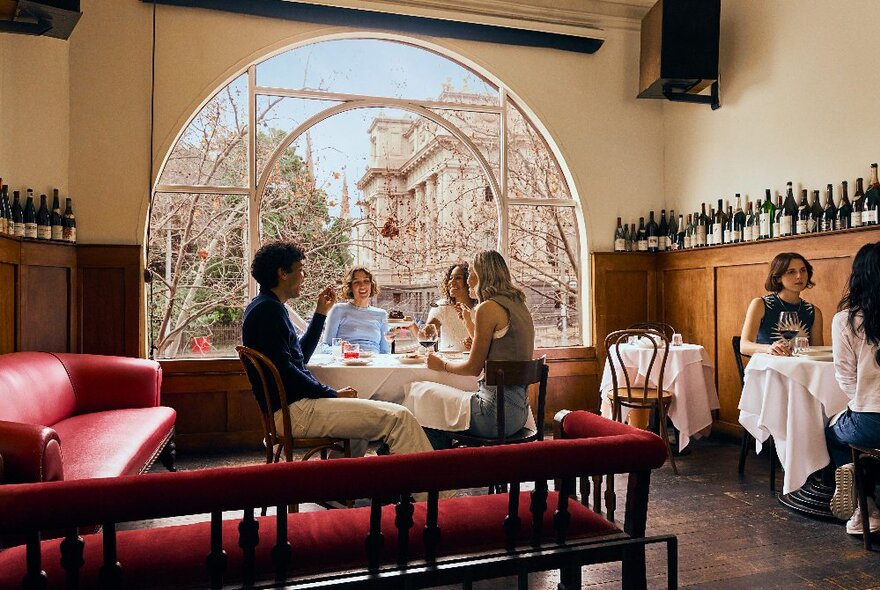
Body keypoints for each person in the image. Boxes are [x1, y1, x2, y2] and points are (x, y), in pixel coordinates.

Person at [242, 241, 433, 458]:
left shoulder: (266, 306)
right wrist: (330, 393)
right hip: (294, 413)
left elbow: (299, 358)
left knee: (359, 427)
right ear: (282, 273)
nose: (304, 276)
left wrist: (320, 313)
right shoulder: (268, 311)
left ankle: (340, 487)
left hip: (292, 409)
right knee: (399, 417)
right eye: (300, 270)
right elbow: (286, 372)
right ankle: (432, 492)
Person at [406, 250, 535, 449]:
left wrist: (442, 365)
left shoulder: (488, 307)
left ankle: (429, 465)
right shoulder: (518, 305)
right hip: (518, 414)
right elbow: (497, 348)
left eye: (472, 273)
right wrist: (468, 323)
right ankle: (444, 462)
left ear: (483, 274)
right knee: (430, 400)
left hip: (493, 415)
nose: (468, 279)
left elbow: (473, 368)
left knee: (419, 391)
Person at [825, 242, 880, 535]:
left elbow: (846, 379)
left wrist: (863, 400)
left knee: (834, 432)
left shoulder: (846, 320)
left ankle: (864, 507)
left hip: (871, 421)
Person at [740, 252, 824, 356]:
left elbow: (818, 353)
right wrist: (769, 348)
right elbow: (744, 346)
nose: (799, 276)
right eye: (791, 272)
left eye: (803, 270)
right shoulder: (760, 304)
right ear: (778, 277)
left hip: (801, 370)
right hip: (769, 369)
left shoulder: (813, 312)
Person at [322, 266, 392, 354]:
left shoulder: (382, 315)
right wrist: (340, 350)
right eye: (356, 282)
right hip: (347, 362)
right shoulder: (338, 310)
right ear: (350, 287)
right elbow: (325, 347)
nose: (362, 286)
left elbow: (385, 352)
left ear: (371, 285)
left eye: (366, 281)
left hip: (374, 364)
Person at [422, 263, 478, 353]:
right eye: (450, 278)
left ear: (469, 281)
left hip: (472, 362)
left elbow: (489, 342)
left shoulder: (480, 308)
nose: (451, 282)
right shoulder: (442, 306)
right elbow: (427, 334)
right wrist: (411, 326)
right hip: (446, 363)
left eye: (458, 278)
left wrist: (476, 343)